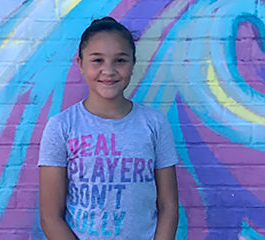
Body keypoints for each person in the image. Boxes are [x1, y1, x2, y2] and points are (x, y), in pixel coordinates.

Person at [38, 16, 179, 240]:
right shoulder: (61, 127)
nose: (109, 70)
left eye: (120, 60)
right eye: (97, 60)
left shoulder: (154, 123)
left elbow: (168, 205)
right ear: (80, 64)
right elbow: (50, 217)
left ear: (133, 63)